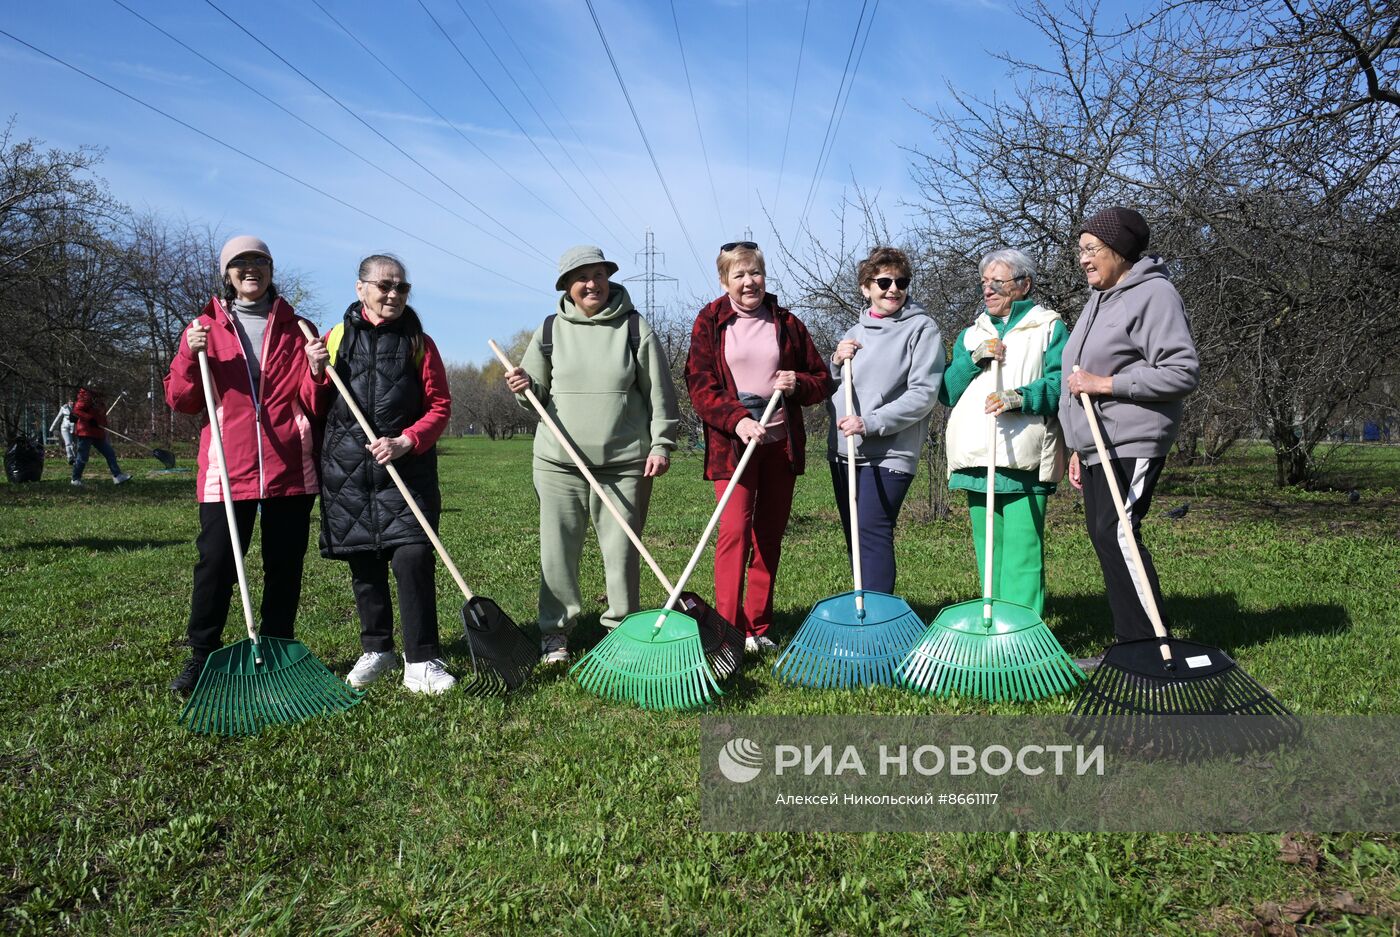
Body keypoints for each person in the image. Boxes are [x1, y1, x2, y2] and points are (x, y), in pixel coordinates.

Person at [163, 236, 326, 696]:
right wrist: (186, 355)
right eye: (240, 263)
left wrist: (316, 371)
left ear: (272, 270)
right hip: (226, 471)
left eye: (259, 261)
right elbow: (182, 400)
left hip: (288, 466)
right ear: (227, 274)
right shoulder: (203, 327)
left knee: (284, 565)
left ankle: (276, 649)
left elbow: (313, 405)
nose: (250, 269)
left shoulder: (301, 327)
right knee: (216, 563)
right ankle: (202, 656)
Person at [504, 245, 680, 663]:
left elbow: (660, 393)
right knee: (557, 550)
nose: (591, 284)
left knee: (621, 554)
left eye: (598, 275)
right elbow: (536, 397)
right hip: (558, 464)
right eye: (581, 277)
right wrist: (523, 387)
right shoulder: (549, 331)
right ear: (566, 286)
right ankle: (556, 634)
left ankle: (622, 630)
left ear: (608, 279)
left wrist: (661, 444)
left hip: (623, 466)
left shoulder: (635, 328)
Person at [1059, 208, 1200, 662]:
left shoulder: (1154, 294)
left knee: (1117, 532)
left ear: (1119, 250)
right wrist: (1078, 446)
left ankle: (1149, 648)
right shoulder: (1099, 299)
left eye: (1091, 249)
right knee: (1105, 536)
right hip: (1099, 442)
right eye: (1080, 250)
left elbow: (1181, 371)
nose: (1083, 259)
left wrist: (1106, 385)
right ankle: (1132, 642)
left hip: (1133, 438)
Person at [316, 254, 455, 694]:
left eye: (401, 287)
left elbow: (439, 406)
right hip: (348, 472)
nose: (393, 293)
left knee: (412, 557)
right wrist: (316, 371)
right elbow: (311, 406)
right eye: (384, 286)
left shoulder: (419, 342)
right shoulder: (334, 339)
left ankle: (423, 658)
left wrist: (407, 441)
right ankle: (378, 648)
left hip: (406, 469)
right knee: (364, 562)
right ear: (361, 289)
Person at [685, 241, 833, 653]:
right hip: (733, 446)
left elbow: (821, 379)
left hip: (780, 445)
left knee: (768, 535)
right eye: (739, 275)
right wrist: (739, 420)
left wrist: (797, 382)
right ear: (723, 280)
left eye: (755, 273)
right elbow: (700, 385)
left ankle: (758, 627)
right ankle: (726, 632)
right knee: (734, 533)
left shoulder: (785, 322)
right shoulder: (710, 321)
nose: (749, 282)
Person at [940, 249, 1066, 616]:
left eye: (999, 282)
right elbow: (947, 391)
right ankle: (991, 627)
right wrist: (974, 357)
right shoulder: (971, 333)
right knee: (988, 551)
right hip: (977, 458)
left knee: (1023, 554)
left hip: (1023, 458)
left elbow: (1061, 385)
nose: (989, 290)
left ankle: (1023, 633)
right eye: (985, 283)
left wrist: (1019, 398)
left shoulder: (1048, 327)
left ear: (1024, 284)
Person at [828, 246, 945, 593]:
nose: (893, 288)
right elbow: (835, 384)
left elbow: (923, 394)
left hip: (891, 451)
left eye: (901, 281)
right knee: (856, 536)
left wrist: (871, 422)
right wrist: (835, 360)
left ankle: (879, 624)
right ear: (866, 287)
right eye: (884, 281)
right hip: (845, 451)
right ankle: (862, 609)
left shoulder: (922, 329)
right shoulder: (854, 331)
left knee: (872, 530)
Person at [69, 386, 130, 487]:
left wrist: (103, 426)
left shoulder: (99, 398)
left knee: (110, 453)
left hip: (97, 432)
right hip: (86, 432)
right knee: (82, 457)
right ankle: (75, 479)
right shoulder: (86, 396)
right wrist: (89, 419)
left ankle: (117, 476)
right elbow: (77, 410)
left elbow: (100, 415)